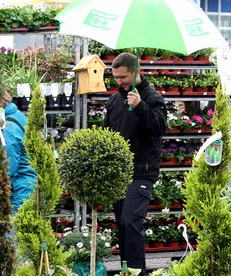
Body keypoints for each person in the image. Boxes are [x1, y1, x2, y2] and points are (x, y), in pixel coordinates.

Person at [103, 52, 167, 275]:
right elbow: (107, 134)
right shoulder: (115, 100)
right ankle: (125, 271)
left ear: (137, 71)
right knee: (122, 224)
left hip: (142, 172)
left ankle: (138, 272)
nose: (119, 82)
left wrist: (140, 106)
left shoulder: (152, 98)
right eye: (116, 78)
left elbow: (158, 128)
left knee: (131, 222)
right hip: (119, 174)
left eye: (124, 77)